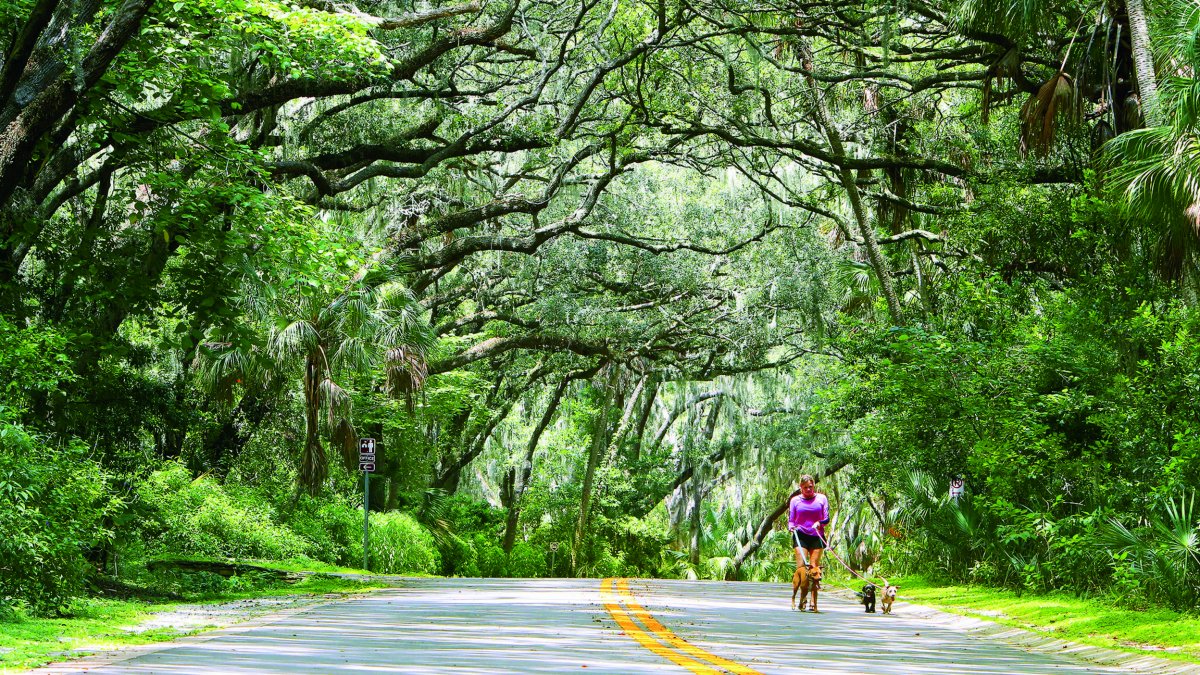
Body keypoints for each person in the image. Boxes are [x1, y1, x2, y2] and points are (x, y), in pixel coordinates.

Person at [787, 475, 829, 579]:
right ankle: (803, 592)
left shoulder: (822, 498)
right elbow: (791, 520)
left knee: (814, 566)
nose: (808, 489)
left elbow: (827, 518)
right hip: (801, 535)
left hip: (817, 535)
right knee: (801, 567)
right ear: (800, 487)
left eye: (810, 486)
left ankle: (814, 591)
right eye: (805, 487)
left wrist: (820, 523)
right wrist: (791, 527)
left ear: (814, 485)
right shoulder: (794, 500)